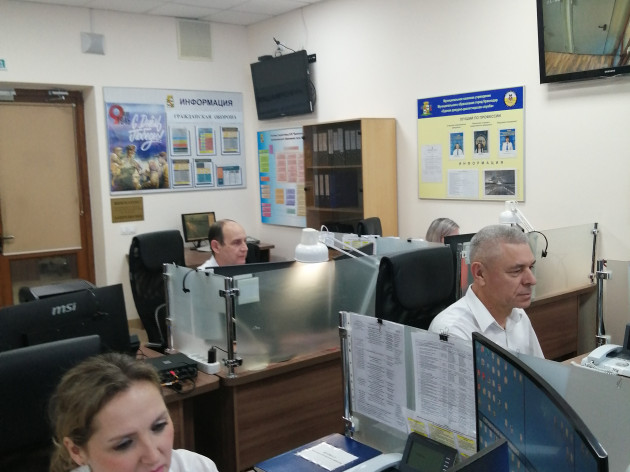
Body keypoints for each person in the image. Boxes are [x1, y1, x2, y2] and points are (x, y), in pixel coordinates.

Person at [48, 352, 219, 472]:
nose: (153, 457)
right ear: (77, 451)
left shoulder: (197, 467)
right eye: (124, 444)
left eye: (159, 426)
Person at [428, 224, 544, 358]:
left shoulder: (518, 314)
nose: (532, 280)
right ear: (480, 273)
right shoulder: (451, 331)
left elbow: (538, 369)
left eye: (531, 267)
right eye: (517, 271)